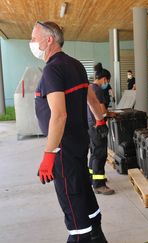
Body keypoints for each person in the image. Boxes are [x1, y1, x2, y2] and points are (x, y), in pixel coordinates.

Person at [32, 21, 108, 242]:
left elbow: (59, 115)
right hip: (79, 141)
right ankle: (97, 235)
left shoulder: (52, 69)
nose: (32, 43)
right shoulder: (76, 65)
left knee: (70, 195)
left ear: (49, 40)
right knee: (82, 187)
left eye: (35, 39)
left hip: (62, 147)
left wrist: (49, 154)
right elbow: (91, 98)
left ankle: (79, 237)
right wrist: (100, 120)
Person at [88, 63, 115, 195]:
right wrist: (111, 114)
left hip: (90, 126)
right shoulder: (98, 90)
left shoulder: (90, 88)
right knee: (100, 154)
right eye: (107, 81)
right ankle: (99, 184)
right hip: (98, 126)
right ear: (104, 79)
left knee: (93, 153)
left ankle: (91, 178)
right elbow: (102, 111)